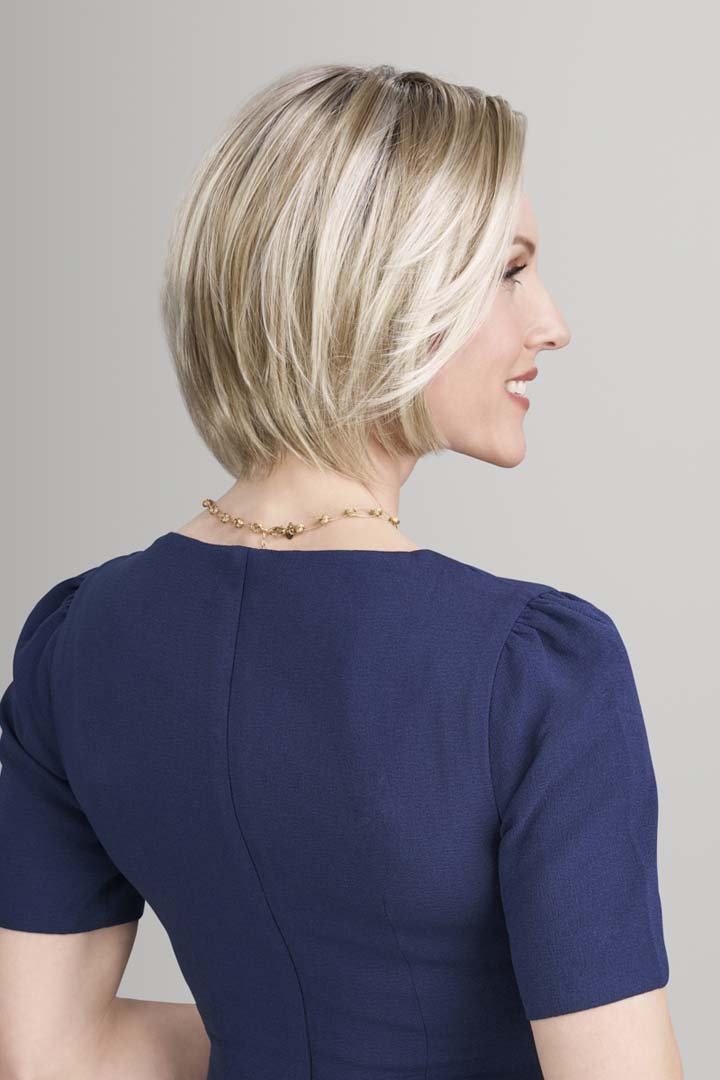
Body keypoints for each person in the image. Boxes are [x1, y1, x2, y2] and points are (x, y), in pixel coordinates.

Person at [0, 63, 683, 1080]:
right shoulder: (532, 670)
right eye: (509, 270)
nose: (551, 321)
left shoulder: (78, 642)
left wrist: (286, 1038)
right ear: (383, 292)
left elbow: (51, 1053)